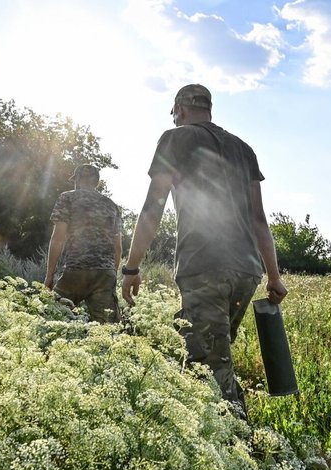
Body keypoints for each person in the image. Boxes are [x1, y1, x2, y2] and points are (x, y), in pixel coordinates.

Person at [121, 84, 287, 419]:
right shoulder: (244, 149)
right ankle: (216, 431)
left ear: (179, 110)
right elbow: (259, 219)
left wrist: (131, 267)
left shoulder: (175, 138)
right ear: (209, 109)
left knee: (208, 370)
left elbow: (153, 207)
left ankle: (240, 445)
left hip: (204, 265)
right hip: (246, 271)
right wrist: (273, 275)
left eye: (174, 113)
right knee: (214, 354)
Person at [45, 164, 123, 323]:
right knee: (109, 331)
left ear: (78, 179)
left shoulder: (67, 198)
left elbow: (58, 239)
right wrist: (111, 274)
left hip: (76, 271)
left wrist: (49, 276)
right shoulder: (112, 205)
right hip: (105, 274)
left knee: (53, 321)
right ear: (97, 182)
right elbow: (118, 247)